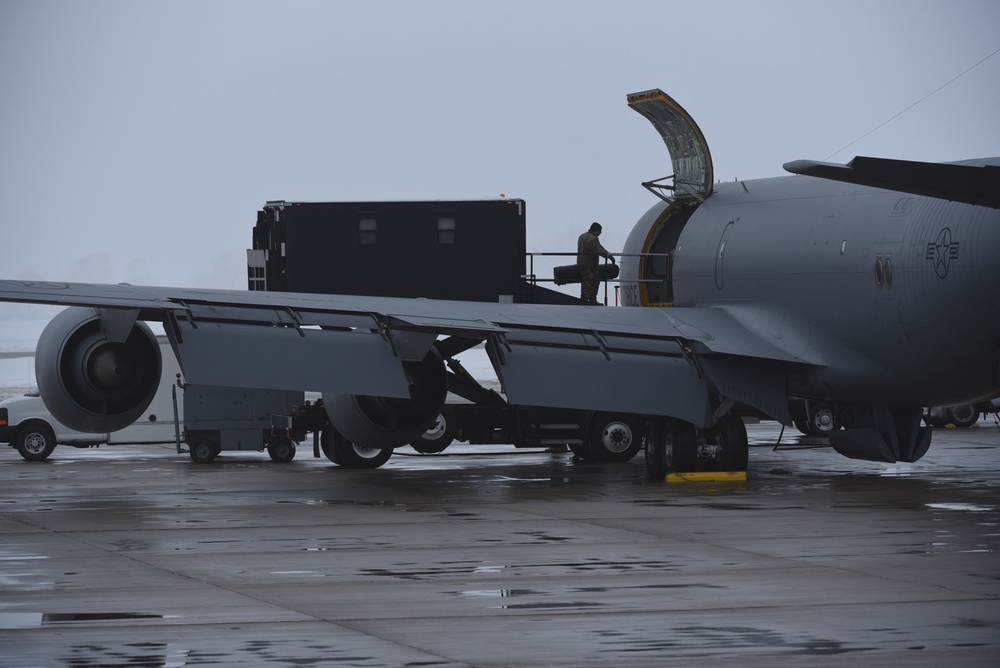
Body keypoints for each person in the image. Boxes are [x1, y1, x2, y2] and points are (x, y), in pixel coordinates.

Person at [576, 222, 615, 304]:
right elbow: (599, 250)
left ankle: (585, 299)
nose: (601, 233)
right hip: (590, 264)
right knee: (592, 282)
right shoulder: (592, 239)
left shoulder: (582, 236)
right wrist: (609, 256)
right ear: (596, 230)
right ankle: (588, 300)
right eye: (600, 231)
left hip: (581, 262)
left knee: (586, 281)